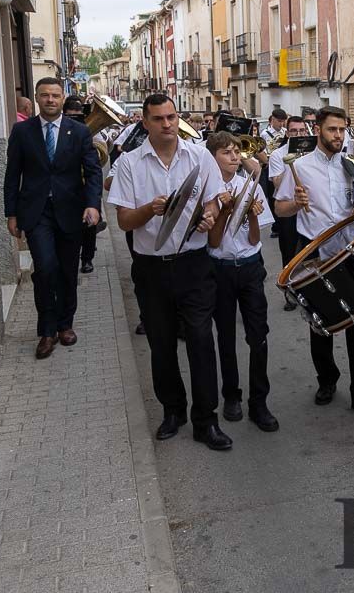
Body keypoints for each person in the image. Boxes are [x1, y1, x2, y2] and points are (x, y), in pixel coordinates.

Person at [107, 93, 232, 451]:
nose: (167, 124)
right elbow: (125, 220)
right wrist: (150, 208)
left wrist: (210, 214)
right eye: (159, 119)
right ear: (144, 123)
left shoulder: (199, 156)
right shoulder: (130, 163)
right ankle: (172, 411)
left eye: (172, 117)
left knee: (200, 341)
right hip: (151, 267)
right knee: (161, 345)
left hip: (194, 263)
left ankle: (206, 420)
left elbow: (216, 199)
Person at [275, 106, 354, 418]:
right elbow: (280, 209)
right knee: (319, 322)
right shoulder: (300, 167)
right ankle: (327, 379)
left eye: (342, 130)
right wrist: (294, 204)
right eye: (332, 130)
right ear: (318, 130)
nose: (338, 136)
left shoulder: (351, 165)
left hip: (350, 248)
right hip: (314, 249)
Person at [4, 78, 102, 360]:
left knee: (67, 271)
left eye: (55, 95)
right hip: (36, 213)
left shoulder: (80, 131)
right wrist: (11, 213)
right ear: (36, 98)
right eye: (44, 95)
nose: (50, 100)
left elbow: (93, 172)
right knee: (45, 269)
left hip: (71, 212)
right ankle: (46, 330)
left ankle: (65, 324)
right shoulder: (22, 131)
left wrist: (93, 205)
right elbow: (12, 176)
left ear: (62, 98)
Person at [206, 133, 279, 432]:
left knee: (258, 334)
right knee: (224, 335)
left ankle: (259, 402)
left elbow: (253, 238)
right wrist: (223, 209)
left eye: (237, 152)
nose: (235, 157)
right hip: (220, 268)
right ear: (213, 157)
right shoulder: (208, 190)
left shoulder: (251, 186)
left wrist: (249, 213)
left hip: (249, 267)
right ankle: (231, 395)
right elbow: (212, 239)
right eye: (227, 152)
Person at [268, 115, 311, 310]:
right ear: (287, 133)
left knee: (309, 252)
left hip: (309, 208)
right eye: (294, 131)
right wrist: (294, 161)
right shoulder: (278, 154)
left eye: (302, 131)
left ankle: (309, 290)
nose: (298, 134)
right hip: (288, 207)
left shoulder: (313, 152)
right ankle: (290, 292)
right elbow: (277, 182)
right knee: (289, 251)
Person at [62, 96, 105, 274]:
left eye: (78, 114)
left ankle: (87, 259)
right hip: (68, 186)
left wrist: (94, 147)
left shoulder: (91, 130)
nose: (76, 117)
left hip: (86, 186)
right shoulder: (60, 129)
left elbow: (103, 152)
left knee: (89, 225)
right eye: (72, 115)